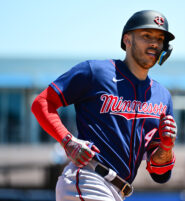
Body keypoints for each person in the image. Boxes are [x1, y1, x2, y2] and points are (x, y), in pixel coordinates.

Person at [31, 10, 177, 201]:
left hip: (118, 191)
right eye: (146, 36)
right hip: (88, 178)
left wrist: (166, 148)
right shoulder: (96, 72)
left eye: (159, 39)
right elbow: (42, 102)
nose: (154, 43)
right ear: (127, 39)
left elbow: (160, 174)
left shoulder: (162, 96)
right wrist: (67, 140)